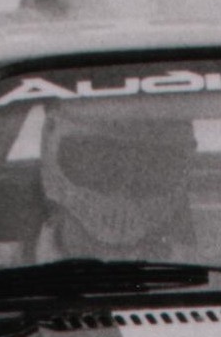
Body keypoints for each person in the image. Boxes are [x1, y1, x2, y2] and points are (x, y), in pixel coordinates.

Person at [35, 110, 196, 259]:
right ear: (49, 150)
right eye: (100, 161)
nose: (122, 194)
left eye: (153, 165)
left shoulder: (201, 271)